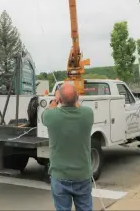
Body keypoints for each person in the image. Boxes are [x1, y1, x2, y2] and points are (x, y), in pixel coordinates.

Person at [42, 82, 94, 211]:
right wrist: (73, 98)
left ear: (60, 99)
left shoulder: (51, 116)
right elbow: (78, 106)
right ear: (77, 98)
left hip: (60, 175)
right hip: (82, 175)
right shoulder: (88, 114)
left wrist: (55, 100)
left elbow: (45, 113)